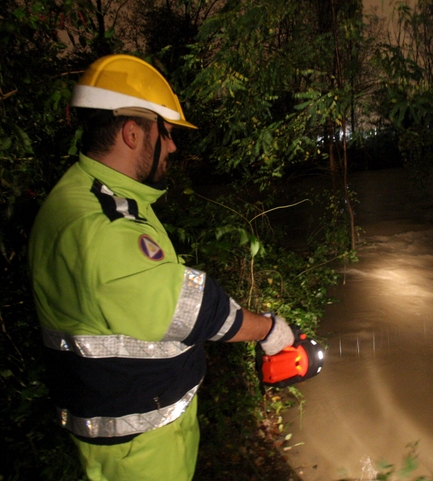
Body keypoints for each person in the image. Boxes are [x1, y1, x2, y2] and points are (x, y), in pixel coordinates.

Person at [28, 54, 295, 481]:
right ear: (133, 133)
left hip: (128, 436)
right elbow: (193, 309)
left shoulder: (86, 195)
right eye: (166, 133)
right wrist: (271, 331)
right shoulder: (102, 225)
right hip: (141, 453)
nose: (172, 145)